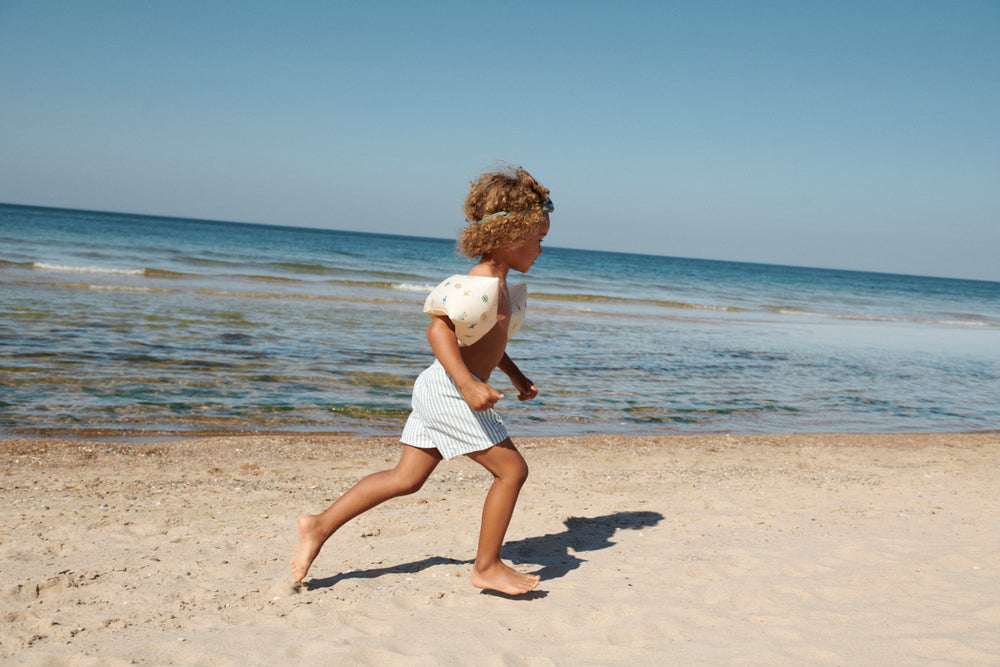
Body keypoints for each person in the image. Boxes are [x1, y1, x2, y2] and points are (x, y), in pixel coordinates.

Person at [292, 165, 552, 595]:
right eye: (538, 240)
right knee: (512, 470)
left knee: (406, 478)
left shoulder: (499, 286)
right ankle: (487, 566)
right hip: (451, 390)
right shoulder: (480, 285)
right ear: (510, 237)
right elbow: (438, 331)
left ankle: (318, 525)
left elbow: (485, 340)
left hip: (442, 385)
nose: (541, 250)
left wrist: (515, 375)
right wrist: (468, 385)